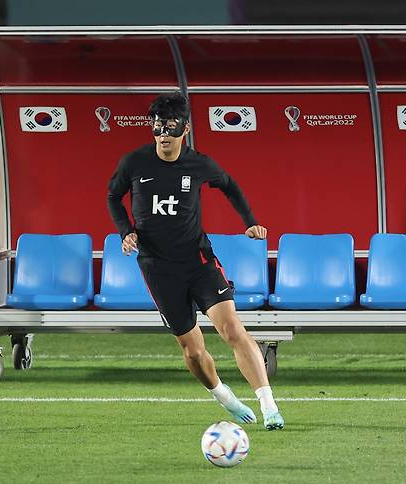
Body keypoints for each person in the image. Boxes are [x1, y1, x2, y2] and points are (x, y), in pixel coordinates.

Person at [107, 92, 284, 430]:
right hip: (157, 269)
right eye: (158, 128)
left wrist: (249, 221)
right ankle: (224, 396)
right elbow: (113, 195)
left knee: (233, 329)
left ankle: (269, 405)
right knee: (192, 350)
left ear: (184, 130)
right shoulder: (134, 162)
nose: (163, 136)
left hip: (198, 261)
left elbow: (229, 185)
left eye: (170, 129)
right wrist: (125, 231)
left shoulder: (199, 164)